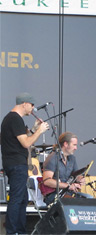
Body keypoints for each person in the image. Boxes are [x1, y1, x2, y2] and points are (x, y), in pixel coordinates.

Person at [1, 92, 49, 234]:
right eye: (32, 105)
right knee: (17, 199)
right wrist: (40, 131)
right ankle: (13, 231)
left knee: (22, 199)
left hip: (15, 163)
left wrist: (34, 129)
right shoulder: (15, 119)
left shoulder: (11, 119)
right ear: (24, 103)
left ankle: (20, 231)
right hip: (16, 165)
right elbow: (26, 143)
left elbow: (21, 138)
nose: (33, 108)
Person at [42, 132, 93, 205]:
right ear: (65, 144)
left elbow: (76, 175)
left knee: (89, 199)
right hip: (55, 195)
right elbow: (47, 181)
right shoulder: (52, 158)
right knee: (78, 203)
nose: (76, 148)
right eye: (74, 145)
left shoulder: (72, 158)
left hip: (68, 193)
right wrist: (68, 186)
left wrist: (80, 179)